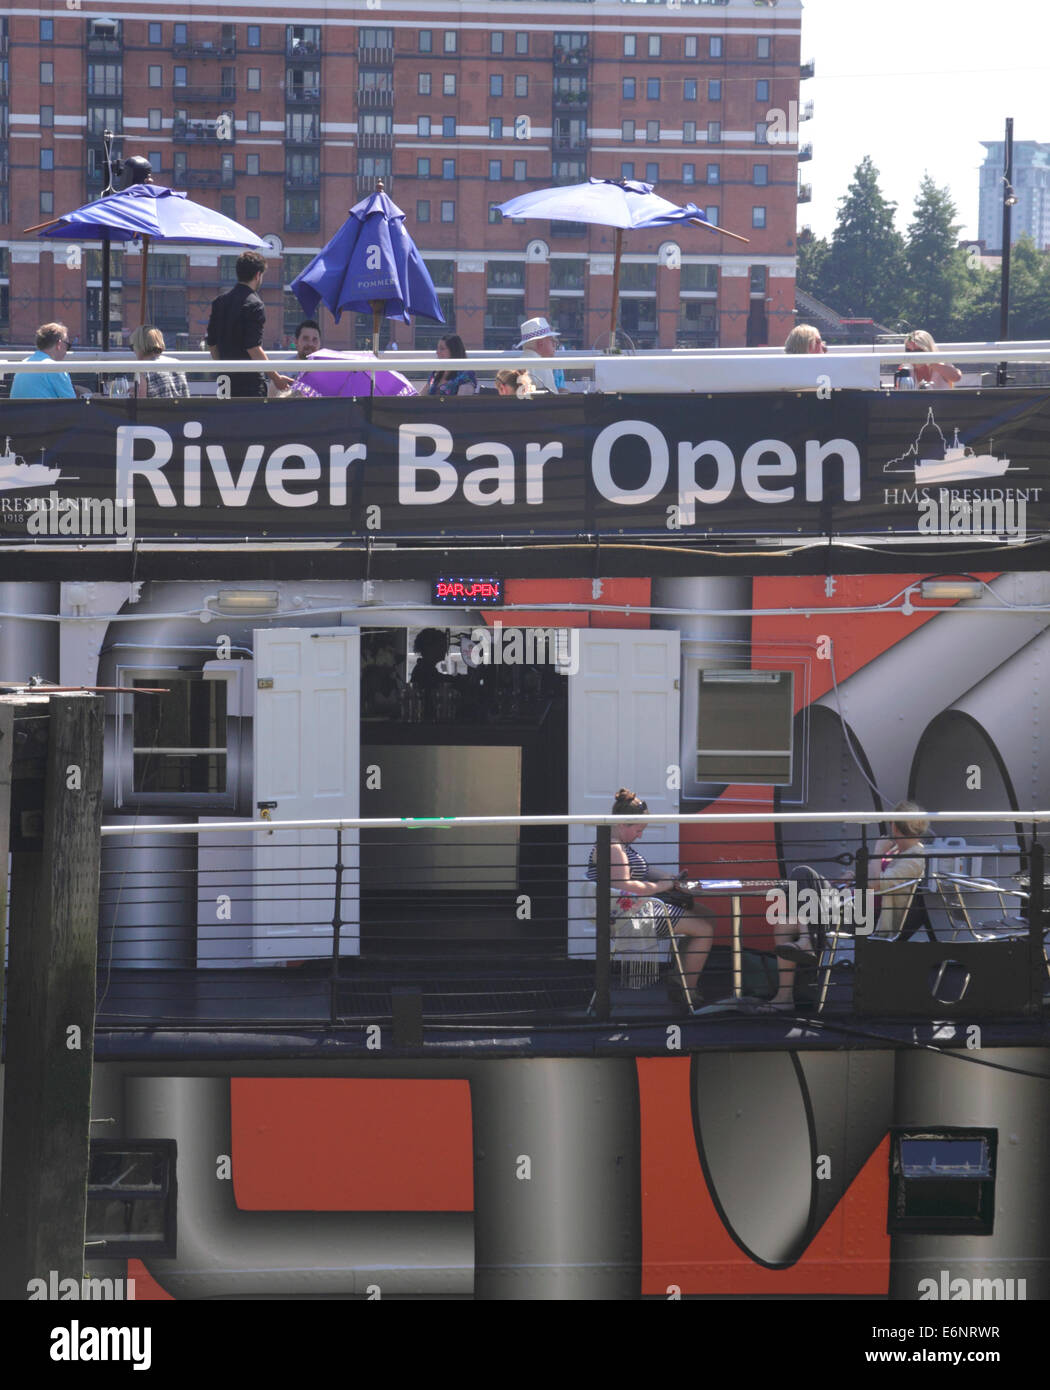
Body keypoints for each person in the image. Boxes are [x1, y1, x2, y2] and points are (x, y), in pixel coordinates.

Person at [770, 800, 929, 1008]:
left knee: (803, 874)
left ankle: (807, 941)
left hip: (865, 919)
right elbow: (876, 877)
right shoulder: (899, 851)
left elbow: (874, 884)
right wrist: (853, 875)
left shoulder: (915, 858)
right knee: (784, 922)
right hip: (852, 905)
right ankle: (784, 998)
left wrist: (877, 851)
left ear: (895, 827)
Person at [587, 788, 714, 1007]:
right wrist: (659, 886)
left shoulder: (620, 845)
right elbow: (625, 886)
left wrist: (672, 880)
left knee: (706, 914)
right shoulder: (612, 848)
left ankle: (680, 976)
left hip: (634, 909)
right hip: (629, 917)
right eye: (638, 829)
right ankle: (687, 991)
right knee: (705, 929)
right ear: (622, 824)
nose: (640, 835)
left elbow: (639, 872)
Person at [206, 250, 291, 398]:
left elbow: (212, 343)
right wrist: (276, 378)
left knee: (226, 421)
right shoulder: (255, 304)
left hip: (224, 381)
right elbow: (253, 347)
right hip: (249, 384)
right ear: (258, 275)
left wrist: (224, 369)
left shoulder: (219, 302)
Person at [9, 322, 77, 399]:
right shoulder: (57, 369)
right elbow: (72, 404)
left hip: (16, 410)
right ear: (59, 344)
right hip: (45, 411)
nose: (67, 351)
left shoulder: (22, 365)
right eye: (68, 345)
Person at [130, 325, 189, 399]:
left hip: (156, 410)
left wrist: (134, 395)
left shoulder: (145, 369)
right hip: (180, 410)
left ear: (139, 346)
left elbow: (141, 404)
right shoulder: (178, 364)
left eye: (132, 347)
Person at [516, 317, 566, 393]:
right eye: (552, 339)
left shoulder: (518, 362)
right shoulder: (542, 366)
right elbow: (553, 399)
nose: (555, 344)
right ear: (540, 343)